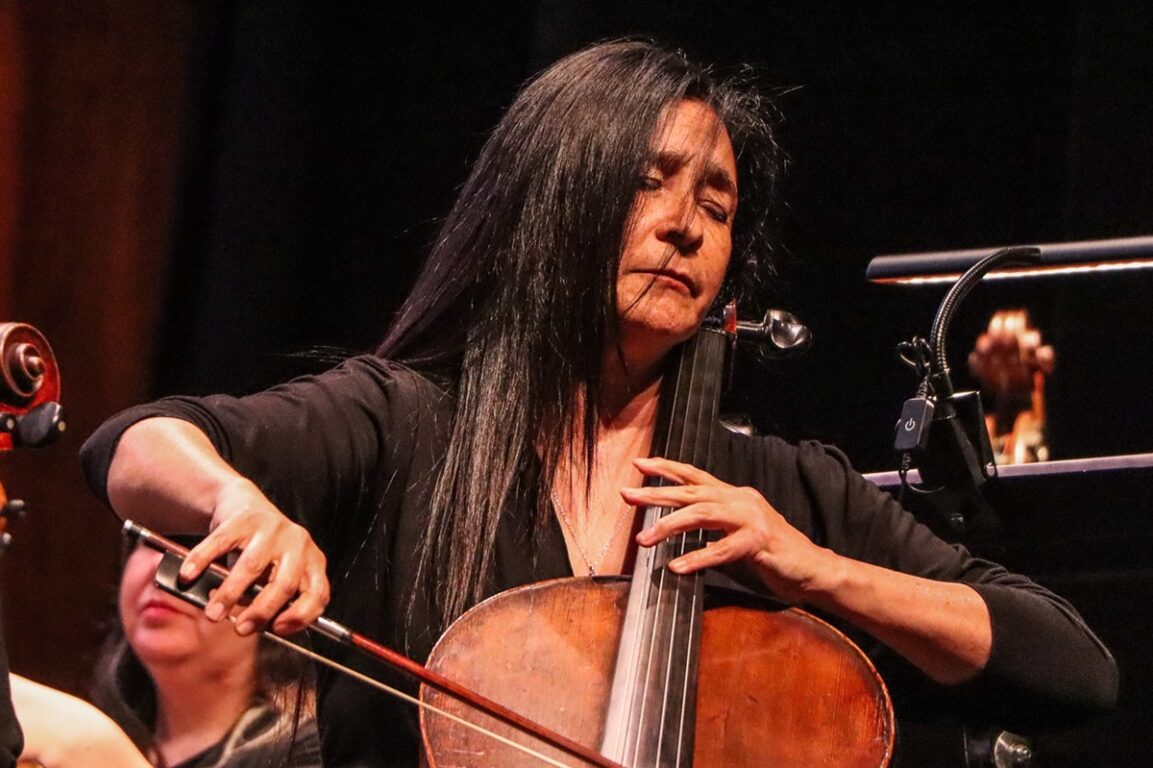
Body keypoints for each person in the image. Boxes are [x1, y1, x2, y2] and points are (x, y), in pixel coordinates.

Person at [78, 40, 1117, 766]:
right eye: (647, 185)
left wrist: (818, 572)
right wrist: (236, 503)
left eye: (715, 204)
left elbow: (1070, 670)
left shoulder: (770, 487)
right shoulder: (408, 424)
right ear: (553, 203)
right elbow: (135, 446)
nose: (686, 228)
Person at [11, 538, 320, 767]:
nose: (161, 570)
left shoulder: (309, 754)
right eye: (148, 540)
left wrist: (95, 748)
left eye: (201, 541)